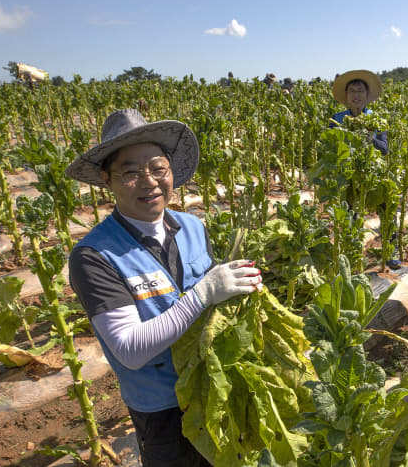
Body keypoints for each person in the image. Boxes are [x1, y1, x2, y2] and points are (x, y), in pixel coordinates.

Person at [65, 109, 263, 467]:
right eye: (130, 172)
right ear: (107, 179)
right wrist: (204, 293)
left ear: (171, 172)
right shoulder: (94, 255)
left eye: (158, 169)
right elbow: (130, 349)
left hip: (215, 385)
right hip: (163, 408)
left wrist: (237, 284)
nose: (148, 181)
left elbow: (211, 303)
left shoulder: (192, 226)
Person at [329, 69, 399, 269]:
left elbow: (384, 149)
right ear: (346, 96)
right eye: (352, 91)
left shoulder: (376, 119)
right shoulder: (337, 119)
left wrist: (370, 138)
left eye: (360, 91)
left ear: (367, 95)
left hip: (373, 175)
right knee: (349, 215)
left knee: (387, 209)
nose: (356, 96)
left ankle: (389, 251)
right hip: (348, 174)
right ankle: (351, 253)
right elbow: (330, 147)